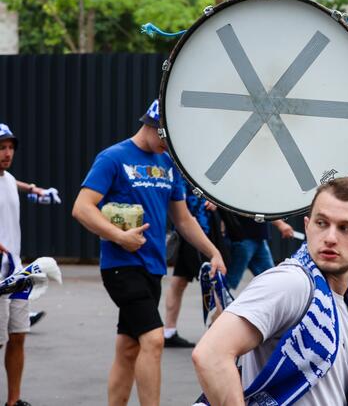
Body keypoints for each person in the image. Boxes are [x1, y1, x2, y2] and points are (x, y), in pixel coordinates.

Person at [72, 100, 226, 406]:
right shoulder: (113, 158)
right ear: (152, 125)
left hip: (153, 268)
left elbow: (183, 220)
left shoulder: (168, 164)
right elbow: (81, 208)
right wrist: (119, 236)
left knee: (128, 347)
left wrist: (213, 252)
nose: (170, 146)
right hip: (121, 266)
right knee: (154, 339)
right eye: (168, 138)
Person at [192, 177, 348, 406]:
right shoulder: (291, 283)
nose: (330, 238)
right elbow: (210, 355)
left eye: (345, 228)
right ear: (307, 225)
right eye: (321, 223)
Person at [0, 123, 51, 406]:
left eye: (10, 148)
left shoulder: (8, 178)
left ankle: (13, 401)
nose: (7, 154)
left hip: (17, 271)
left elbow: (12, 184)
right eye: (1, 148)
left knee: (18, 335)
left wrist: (35, 189)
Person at [163, 190, 227, 348]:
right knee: (211, 281)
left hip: (199, 233)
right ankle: (215, 336)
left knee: (184, 282)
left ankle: (170, 331)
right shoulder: (182, 173)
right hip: (194, 234)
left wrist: (216, 201)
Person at [222, 213, 295, 290]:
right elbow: (259, 209)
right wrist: (281, 224)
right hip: (243, 237)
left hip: (257, 238)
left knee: (270, 279)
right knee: (229, 281)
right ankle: (216, 299)